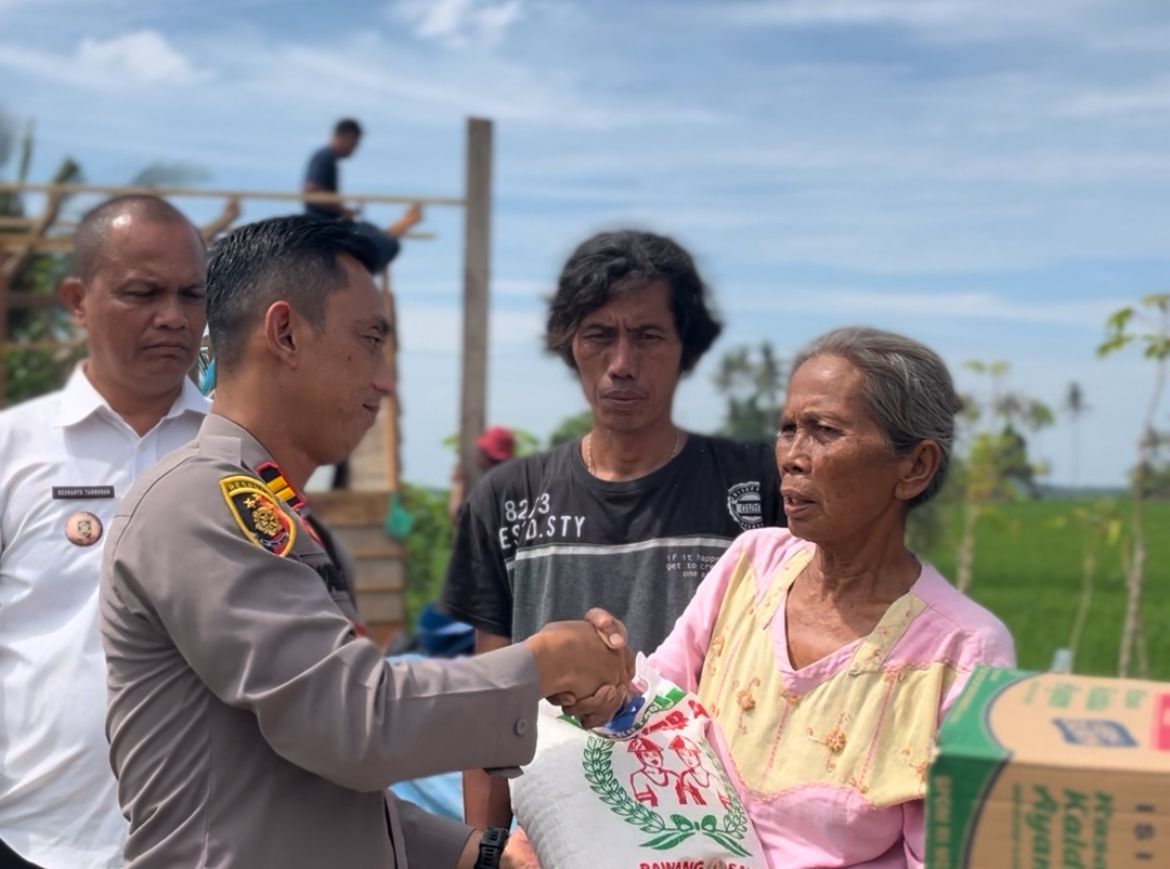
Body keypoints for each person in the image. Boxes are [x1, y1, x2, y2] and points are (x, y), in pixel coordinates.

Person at [98, 215, 632, 869]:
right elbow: (353, 722)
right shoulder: (199, 502)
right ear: (285, 333)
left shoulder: (276, 513)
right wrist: (548, 660)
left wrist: (480, 852)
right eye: (370, 340)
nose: (385, 380)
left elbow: (304, 782)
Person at [618, 326, 1015, 868]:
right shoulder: (752, 563)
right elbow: (654, 711)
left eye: (824, 431)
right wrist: (602, 679)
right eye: (788, 430)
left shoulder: (964, 653)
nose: (792, 458)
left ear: (914, 468)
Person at [441, 229, 785, 829]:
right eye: (600, 336)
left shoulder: (760, 488)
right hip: (556, 834)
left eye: (649, 337)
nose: (622, 365)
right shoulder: (506, 502)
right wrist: (486, 851)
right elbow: (486, 710)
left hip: (721, 833)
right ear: (570, 346)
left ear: (686, 348)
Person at [0, 194, 210, 869]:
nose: (173, 317)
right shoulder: (13, 449)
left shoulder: (244, 457)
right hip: (33, 837)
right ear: (76, 300)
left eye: (191, 294)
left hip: (207, 839)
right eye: (143, 292)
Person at [303, 117, 424, 272]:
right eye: (354, 144)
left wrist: (342, 210)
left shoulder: (326, 158)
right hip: (326, 225)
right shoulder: (324, 157)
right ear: (347, 136)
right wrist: (341, 210)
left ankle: (403, 224)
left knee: (376, 236)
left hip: (329, 223)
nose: (354, 149)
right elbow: (312, 192)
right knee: (380, 242)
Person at [447, 425, 517, 524]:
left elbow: (460, 517)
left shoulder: (492, 487)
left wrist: (458, 483)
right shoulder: (516, 483)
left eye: (482, 452)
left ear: (487, 456)